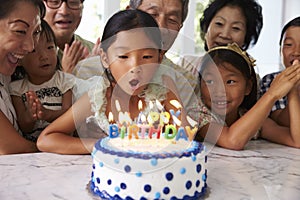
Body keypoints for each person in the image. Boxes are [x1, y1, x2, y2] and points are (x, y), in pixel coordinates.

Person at [37, 9, 182, 155]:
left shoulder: (165, 92)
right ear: (105, 58)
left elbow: (185, 139)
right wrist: (100, 145)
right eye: (123, 56)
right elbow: (46, 139)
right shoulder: (99, 98)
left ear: (159, 58)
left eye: (146, 56)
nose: (135, 67)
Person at [74, 0, 198, 113]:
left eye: (171, 20)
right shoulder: (87, 73)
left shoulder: (184, 83)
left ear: (180, 26)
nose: (160, 27)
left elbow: (185, 132)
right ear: (129, 13)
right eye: (152, 15)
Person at [194, 43, 300, 150]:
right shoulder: (198, 116)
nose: (219, 91)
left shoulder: (249, 116)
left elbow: (296, 140)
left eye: (230, 81)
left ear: (248, 87)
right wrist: (271, 95)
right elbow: (232, 141)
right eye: (210, 81)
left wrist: (292, 90)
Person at [9, 20, 75, 143]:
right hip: (32, 149)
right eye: (34, 50)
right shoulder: (16, 89)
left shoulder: (65, 81)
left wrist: (47, 114)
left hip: (61, 144)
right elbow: (24, 127)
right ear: (20, 59)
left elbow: (70, 116)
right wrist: (30, 116)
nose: (44, 56)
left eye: (50, 47)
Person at [0, 0, 45, 155]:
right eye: (20, 31)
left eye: (36, 32)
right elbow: (11, 147)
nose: (31, 46)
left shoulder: (8, 75)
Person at [179, 0, 263, 75]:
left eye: (236, 28)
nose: (225, 34)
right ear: (206, 28)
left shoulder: (250, 79)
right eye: (219, 24)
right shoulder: (185, 66)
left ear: (246, 38)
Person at [259, 17, 300, 148]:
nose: (296, 52)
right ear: (280, 50)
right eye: (288, 44)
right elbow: (280, 120)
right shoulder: (271, 81)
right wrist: (293, 88)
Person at [43, 0, 100, 74]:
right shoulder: (28, 52)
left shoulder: (94, 54)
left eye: (73, 2)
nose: (64, 12)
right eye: (54, 2)